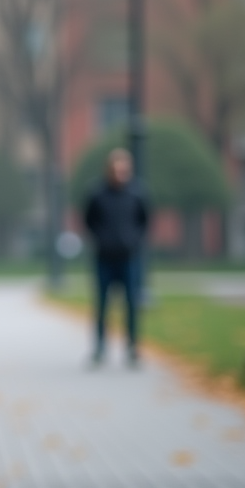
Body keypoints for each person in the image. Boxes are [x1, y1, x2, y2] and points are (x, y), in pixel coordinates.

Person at [82, 147, 149, 366]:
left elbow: (144, 220)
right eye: (116, 169)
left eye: (124, 169)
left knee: (131, 303)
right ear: (109, 170)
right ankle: (100, 347)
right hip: (104, 258)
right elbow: (89, 220)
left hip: (129, 257)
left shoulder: (137, 193)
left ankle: (132, 347)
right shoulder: (97, 193)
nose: (120, 174)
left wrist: (133, 239)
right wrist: (101, 239)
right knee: (102, 304)